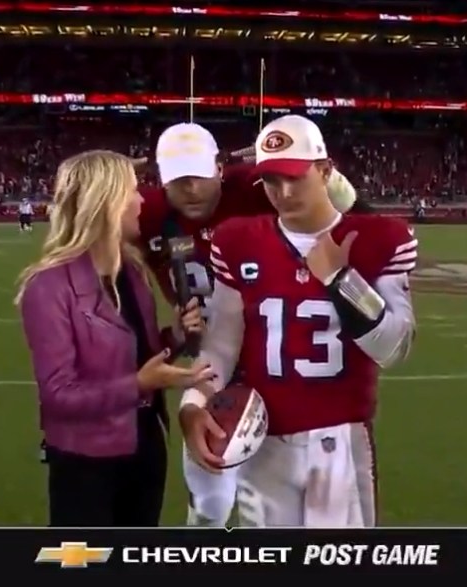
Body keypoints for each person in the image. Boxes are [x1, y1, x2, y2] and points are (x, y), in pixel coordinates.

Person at [178, 115, 418, 527]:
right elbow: (222, 344)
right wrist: (193, 403)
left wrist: (342, 281)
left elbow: (394, 348)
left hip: (340, 441)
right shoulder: (238, 240)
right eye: (271, 181)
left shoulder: (380, 238)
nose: (284, 193)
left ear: (325, 171)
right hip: (262, 440)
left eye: (295, 177)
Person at [139, 122, 362, 526]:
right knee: (210, 505)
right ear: (160, 180)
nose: (190, 188)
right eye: (178, 179)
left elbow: (345, 205)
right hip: (213, 360)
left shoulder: (255, 187)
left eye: (198, 175)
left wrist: (326, 175)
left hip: (280, 361)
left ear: (220, 168)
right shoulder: (150, 213)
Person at [16, 149, 213, 527]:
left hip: (145, 446)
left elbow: (143, 354)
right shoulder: (49, 286)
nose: (142, 201)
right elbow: (58, 396)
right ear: (103, 202)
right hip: (85, 461)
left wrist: (178, 337)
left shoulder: (132, 273)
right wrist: (140, 384)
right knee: (82, 563)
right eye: (132, 191)